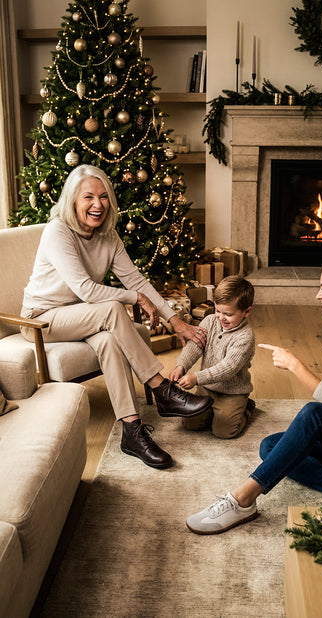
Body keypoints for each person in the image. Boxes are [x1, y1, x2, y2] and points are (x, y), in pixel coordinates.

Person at [20, 164, 213, 470]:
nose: (97, 204)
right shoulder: (58, 231)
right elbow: (87, 289)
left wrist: (175, 321)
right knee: (112, 309)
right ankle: (162, 389)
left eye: (103, 197)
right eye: (88, 197)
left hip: (83, 315)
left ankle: (132, 431)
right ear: (72, 200)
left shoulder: (107, 237)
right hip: (43, 320)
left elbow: (136, 280)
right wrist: (134, 299)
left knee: (110, 340)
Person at [186, 254, 322, 534]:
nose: (317, 296)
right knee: (271, 447)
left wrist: (295, 365)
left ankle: (243, 499)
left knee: (313, 415)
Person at [169, 275, 255, 439]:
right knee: (190, 423)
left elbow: (227, 369)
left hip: (232, 393)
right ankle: (213, 413)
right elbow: (195, 346)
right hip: (206, 389)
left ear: (247, 311)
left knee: (224, 431)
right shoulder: (209, 321)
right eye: (217, 311)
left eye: (228, 314)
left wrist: (196, 377)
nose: (221, 317)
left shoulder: (245, 337)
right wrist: (181, 366)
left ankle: (246, 408)